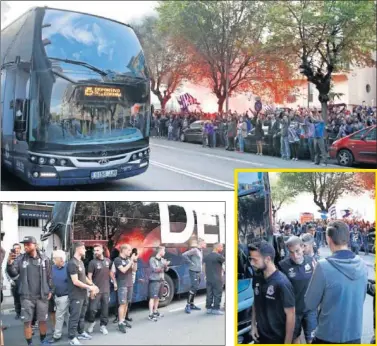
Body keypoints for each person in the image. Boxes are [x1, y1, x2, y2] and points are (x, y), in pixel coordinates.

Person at [305, 221, 368, 344]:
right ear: (347, 238)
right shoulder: (362, 264)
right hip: (354, 336)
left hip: (328, 335)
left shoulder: (323, 266)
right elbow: (362, 298)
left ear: (328, 239)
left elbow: (309, 303)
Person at [6, 236, 53, 346]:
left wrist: (51, 289)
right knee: (27, 322)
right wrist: (9, 264)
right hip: (26, 297)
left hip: (42, 296)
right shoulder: (20, 259)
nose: (25, 246)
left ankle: (43, 341)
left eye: (28, 244)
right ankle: (30, 344)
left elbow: (50, 276)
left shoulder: (45, 259)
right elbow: (13, 273)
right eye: (24, 244)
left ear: (35, 245)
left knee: (42, 320)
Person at [249, 240, 295, 344]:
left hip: (277, 339)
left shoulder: (282, 283)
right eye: (250, 259)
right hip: (260, 336)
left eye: (255, 260)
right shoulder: (257, 277)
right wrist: (253, 325)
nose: (252, 263)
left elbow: (291, 315)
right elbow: (255, 302)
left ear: (268, 259)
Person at [279, 236, 316, 344]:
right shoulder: (283, 265)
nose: (295, 255)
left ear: (303, 247)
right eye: (291, 252)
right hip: (293, 311)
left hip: (310, 309)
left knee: (311, 340)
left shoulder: (311, 261)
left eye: (297, 251)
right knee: (295, 338)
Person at [67, 242, 99, 346]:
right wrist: (90, 287)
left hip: (83, 294)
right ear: (78, 249)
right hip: (76, 295)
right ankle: (72, 337)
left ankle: (80, 332)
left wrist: (93, 284)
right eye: (84, 248)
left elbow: (84, 277)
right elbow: (75, 281)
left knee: (82, 315)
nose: (85, 250)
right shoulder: (72, 263)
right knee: (74, 316)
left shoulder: (80, 262)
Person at [87, 244, 114, 335]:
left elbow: (110, 273)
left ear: (102, 250)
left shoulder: (108, 261)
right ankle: (92, 323)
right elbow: (89, 276)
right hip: (96, 290)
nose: (95, 252)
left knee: (105, 309)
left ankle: (103, 326)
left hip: (106, 290)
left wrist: (115, 282)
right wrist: (92, 288)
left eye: (97, 250)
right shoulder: (92, 262)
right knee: (92, 309)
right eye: (94, 251)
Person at [113, 244, 137, 333]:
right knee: (122, 304)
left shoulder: (128, 259)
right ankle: (120, 323)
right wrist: (131, 261)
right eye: (129, 250)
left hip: (130, 283)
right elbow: (123, 270)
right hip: (122, 284)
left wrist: (135, 261)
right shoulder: (117, 260)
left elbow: (134, 269)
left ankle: (123, 320)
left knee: (127, 303)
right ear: (123, 250)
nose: (130, 252)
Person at [49, 250, 69, 343]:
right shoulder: (52, 267)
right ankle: (71, 332)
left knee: (59, 316)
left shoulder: (68, 267)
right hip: (55, 296)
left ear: (61, 260)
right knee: (66, 316)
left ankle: (57, 335)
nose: (53, 260)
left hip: (65, 296)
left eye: (54, 258)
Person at [182, 238, 207, 314]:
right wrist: (190, 263)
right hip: (193, 271)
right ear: (201, 243)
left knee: (195, 288)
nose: (205, 245)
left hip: (198, 272)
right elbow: (184, 255)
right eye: (204, 243)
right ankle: (188, 305)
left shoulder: (200, 250)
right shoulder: (195, 250)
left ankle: (192, 304)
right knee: (193, 287)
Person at [148, 246, 170, 321]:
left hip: (161, 280)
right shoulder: (152, 259)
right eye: (164, 250)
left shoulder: (163, 260)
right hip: (154, 280)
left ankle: (155, 311)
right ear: (160, 251)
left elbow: (166, 270)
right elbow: (155, 269)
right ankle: (150, 314)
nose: (164, 252)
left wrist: (166, 265)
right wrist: (163, 265)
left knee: (157, 297)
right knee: (152, 297)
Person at [203, 243, 225, 315]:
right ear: (217, 247)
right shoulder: (219, 256)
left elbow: (204, 266)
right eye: (221, 247)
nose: (222, 248)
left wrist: (205, 275)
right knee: (217, 294)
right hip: (217, 278)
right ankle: (216, 309)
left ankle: (208, 308)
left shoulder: (207, 256)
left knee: (209, 293)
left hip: (209, 278)